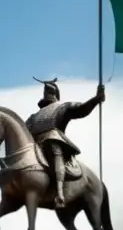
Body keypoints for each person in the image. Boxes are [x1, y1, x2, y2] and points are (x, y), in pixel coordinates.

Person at [26, 78, 106, 208]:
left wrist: (96, 99)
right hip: (34, 145)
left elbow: (81, 109)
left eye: (50, 91)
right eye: (46, 91)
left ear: (56, 94)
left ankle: (59, 193)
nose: (47, 93)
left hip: (52, 139)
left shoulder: (62, 107)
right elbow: (22, 131)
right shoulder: (34, 116)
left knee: (52, 143)